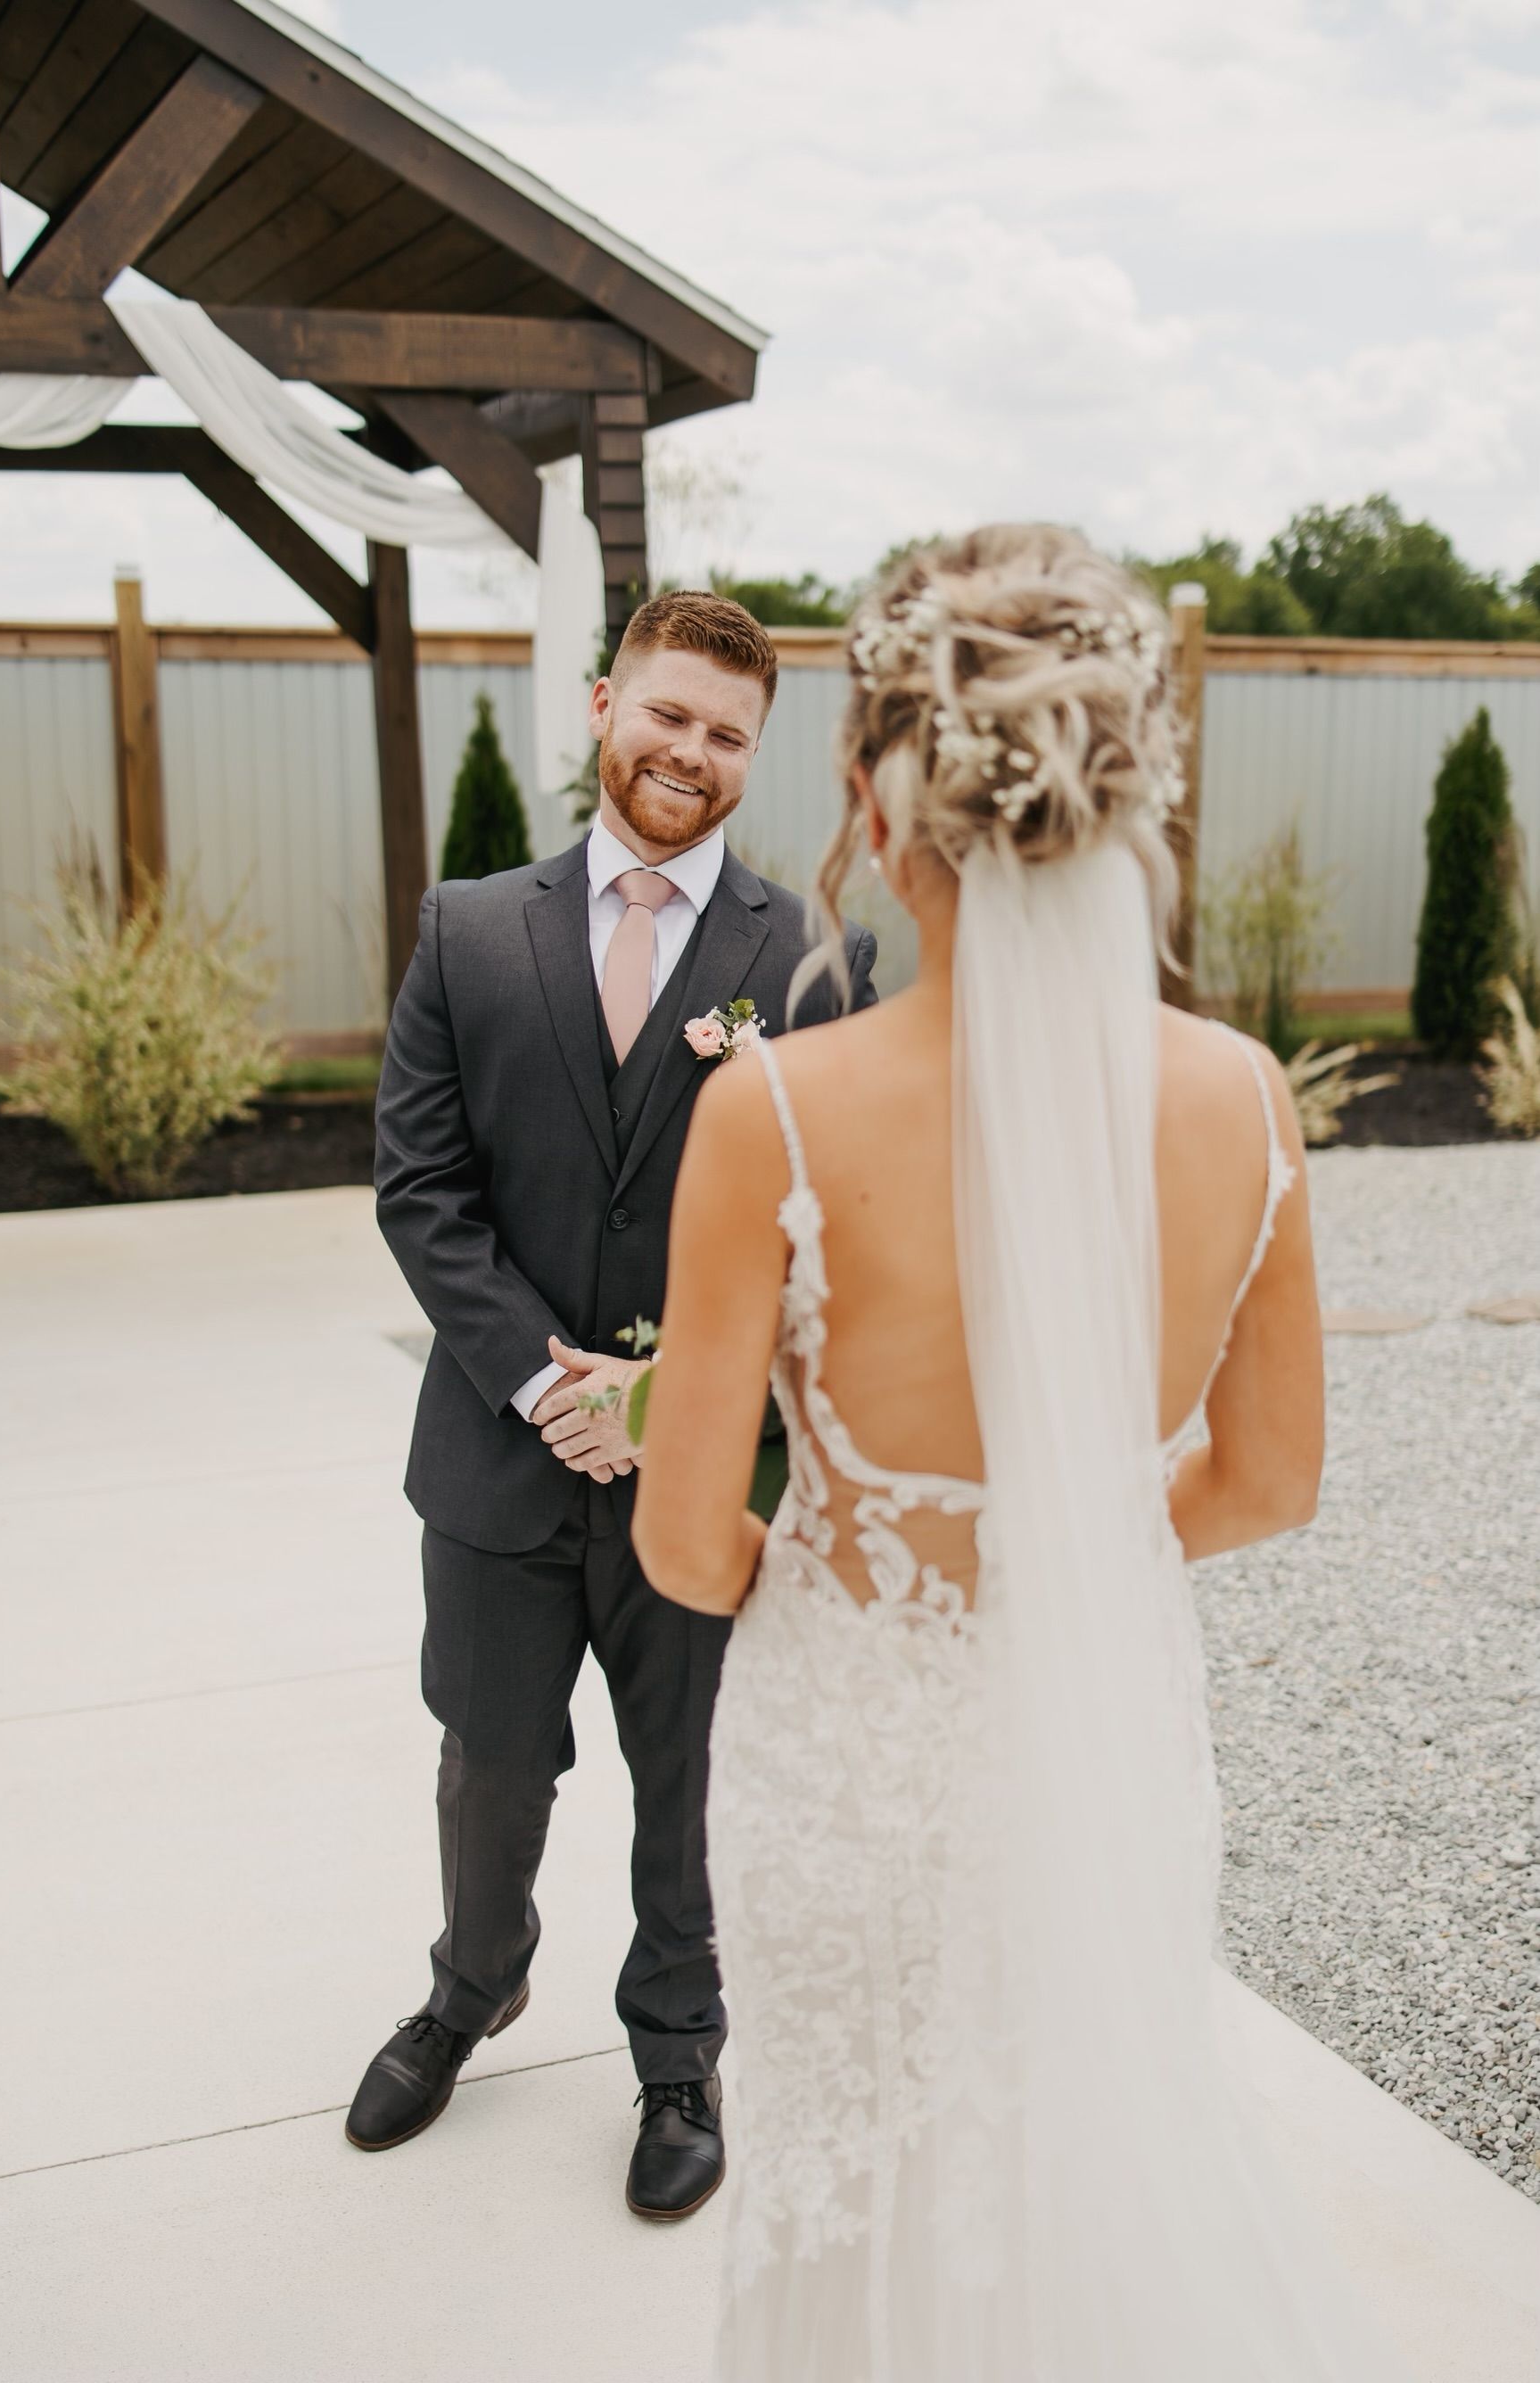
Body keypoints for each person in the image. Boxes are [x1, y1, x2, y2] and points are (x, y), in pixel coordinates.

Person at [633, 529, 1409, 2375]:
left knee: (854, 2183)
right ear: (1123, 795)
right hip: (1101, 1742)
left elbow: (681, 1542)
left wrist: (841, 1589)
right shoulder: (1237, 1097)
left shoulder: (774, 1114)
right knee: (1076, 2171)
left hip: (842, 1771)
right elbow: (1268, 1481)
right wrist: (1071, 1545)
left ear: (875, 804)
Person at [351, 590, 877, 2219]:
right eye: (665, 716)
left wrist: (667, 1398)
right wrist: (541, 1384)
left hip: (702, 1467)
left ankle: (676, 2049)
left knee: (686, 1773)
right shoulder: (466, 927)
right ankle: (473, 1983)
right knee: (491, 1757)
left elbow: (827, 1223)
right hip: (498, 1466)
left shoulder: (805, 962)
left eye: (726, 735)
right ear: (600, 707)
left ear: (753, 756)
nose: (689, 754)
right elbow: (421, 1190)